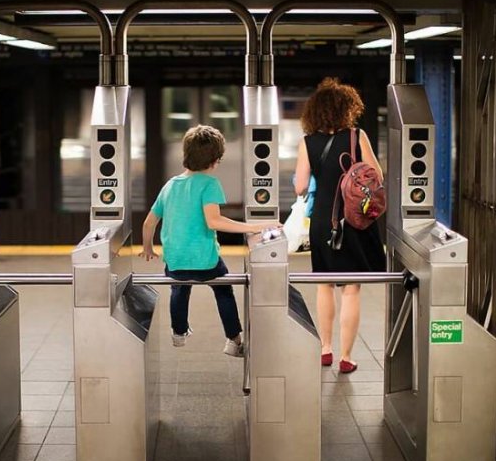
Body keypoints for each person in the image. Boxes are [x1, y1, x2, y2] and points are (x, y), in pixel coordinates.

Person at [140, 125, 282, 357]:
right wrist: (256, 227)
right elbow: (214, 221)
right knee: (223, 289)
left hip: (175, 258)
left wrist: (148, 248)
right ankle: (233, 340)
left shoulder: (170, 185)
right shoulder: (209, 184)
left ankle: (179, 332)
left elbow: (148, 223)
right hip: (206, 260)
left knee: (179, 286)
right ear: (215, 160)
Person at [294, 77, 386, 374]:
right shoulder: (356, 137)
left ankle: (325, 349)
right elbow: (378, 177)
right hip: (354, 219)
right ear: (347, 108)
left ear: (315, 112)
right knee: (351, 288)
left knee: (324, 284)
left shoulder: (307, 143)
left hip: (322, 220)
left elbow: (299, 187)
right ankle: (347, 357)